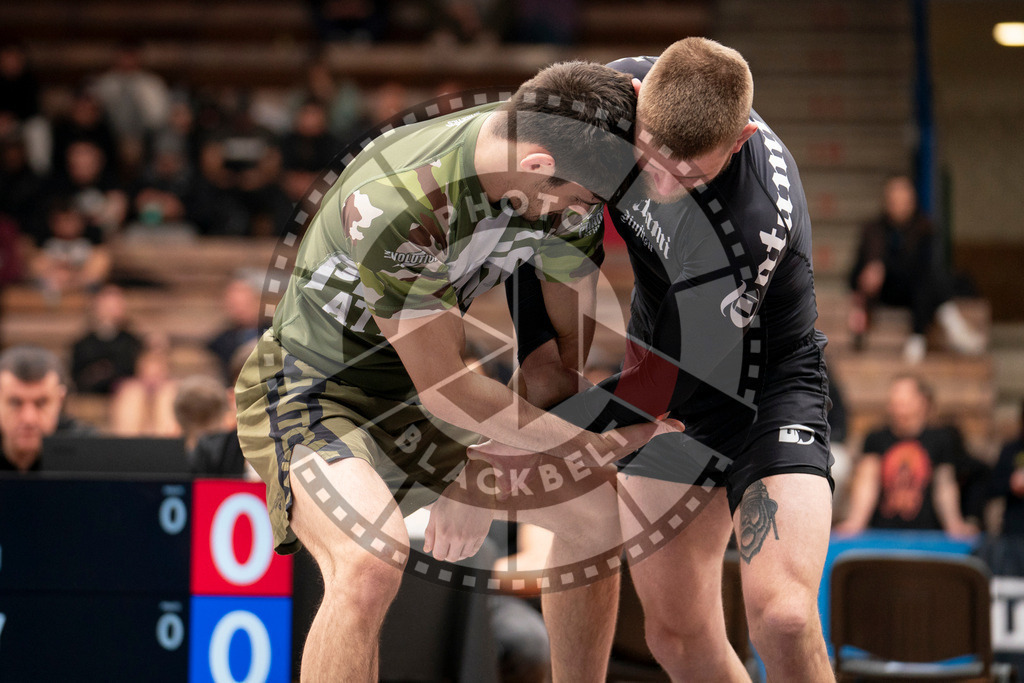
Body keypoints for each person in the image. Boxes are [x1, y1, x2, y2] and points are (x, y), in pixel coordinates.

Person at [235, 60, 681, 682]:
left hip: (428, 388)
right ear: (536, 169)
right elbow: (447, 391)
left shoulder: (565, 179)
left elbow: (555, 366)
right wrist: (601, 445)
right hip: (316, 388)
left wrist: (493, 458)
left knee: (596, 517)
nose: (583, 216)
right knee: (370, 560)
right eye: (582, 202)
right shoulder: (399, 200)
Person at [456, 38, 837, 681]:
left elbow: (664, 387)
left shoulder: (751, 224)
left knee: (783, 618)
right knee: (674, 637)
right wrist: (541, 353)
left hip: (764, 390)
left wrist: (520, 440)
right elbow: (538, 215)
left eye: (691, 174)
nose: (662, 183)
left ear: (740, 140)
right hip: (662, 348)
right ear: (639, 103)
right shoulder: (612, 102)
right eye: (653, 158)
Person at [848, 174, 984, 363]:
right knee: (931, 281)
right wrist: (867, 277)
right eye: (893, 200)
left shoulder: (924, 229)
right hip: (885, 293)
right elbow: (853, 275)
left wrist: (883, 266)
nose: (898, 205)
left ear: (912, 202)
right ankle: (945, 326)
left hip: (917, 293)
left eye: (903, 200)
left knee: (928, 279)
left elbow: (924, 267)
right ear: (886, 202)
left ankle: (919, 337)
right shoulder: (873, 230)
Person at [836, 375, 977, 535]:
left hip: (928, 534)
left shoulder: (941, 438)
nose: (898, 405)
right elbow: (867, 482)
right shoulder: (876, 438)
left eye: (905, 400)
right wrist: (856, 522)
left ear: (922, 402)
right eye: (895, 400)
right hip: (883, 532)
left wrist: (954, 524)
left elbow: (944, 485)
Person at [0, 346, 91, 472]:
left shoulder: (90, 451)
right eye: (15, 403)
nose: (28, 419)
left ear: (60, 401)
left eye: (41, 403)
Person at [71, 283, 143, 394]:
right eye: (107, 305)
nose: (111, 309)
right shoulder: (83, 344)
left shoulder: (132, 342)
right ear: (97, 306)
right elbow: (79, 378)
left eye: (116, 304)